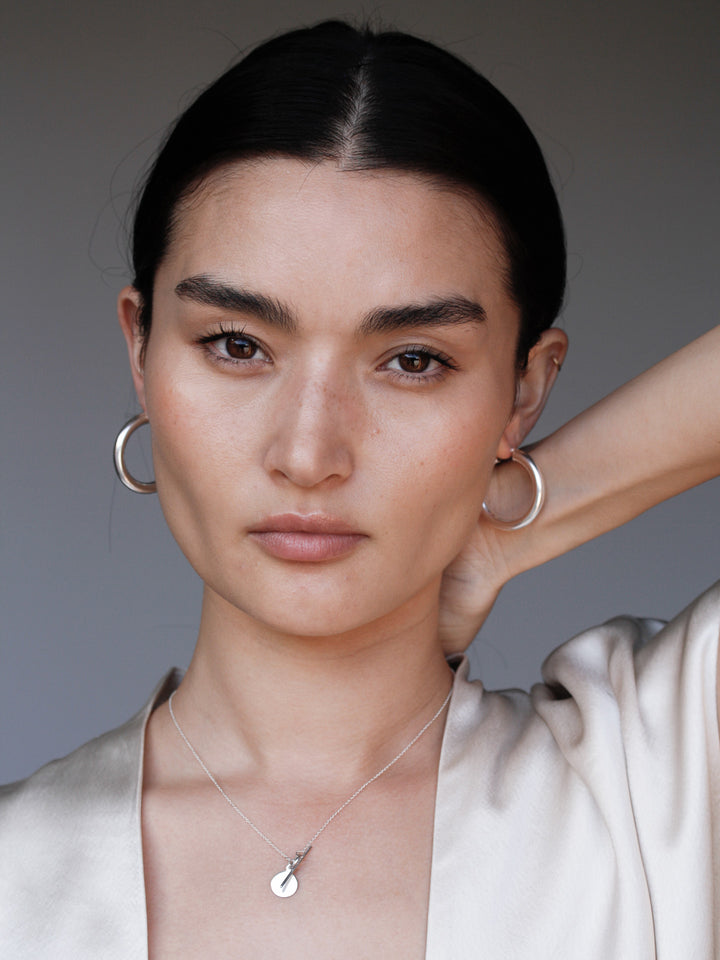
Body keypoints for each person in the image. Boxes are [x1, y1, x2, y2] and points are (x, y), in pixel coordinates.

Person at [1, 19, 718, 959]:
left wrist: (523, 515)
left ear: (526, 385)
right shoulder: (15, 874)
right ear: (140, 350)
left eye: (413, 360)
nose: (309, 452)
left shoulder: (662, 777)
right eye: (236, 345)